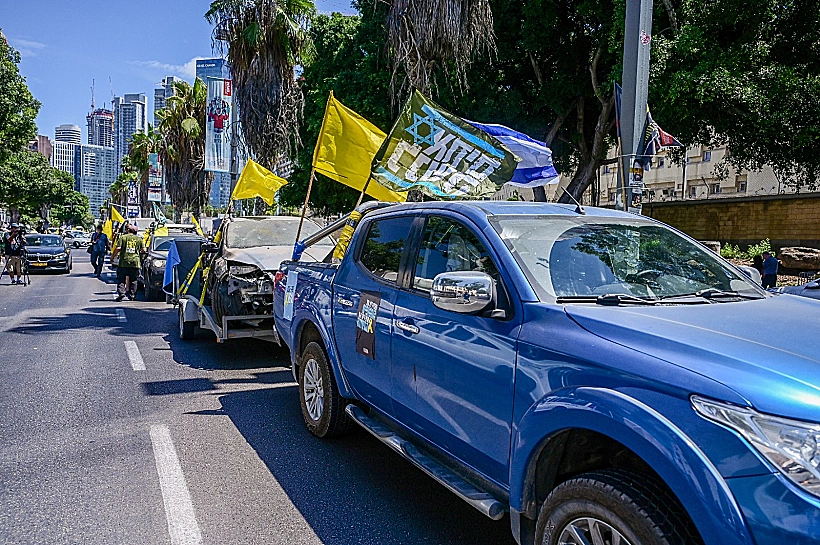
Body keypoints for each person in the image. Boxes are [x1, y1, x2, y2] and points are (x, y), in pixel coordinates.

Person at [111, 223, 144, 300]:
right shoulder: (139, 239)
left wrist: (112, 257)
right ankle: (132, 295)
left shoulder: (123, 238)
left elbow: (118, 248)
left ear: (128, 230)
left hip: (124, 262)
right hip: (135, 262)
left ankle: (121, 293)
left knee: (121, 279)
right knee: (134, 280)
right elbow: (143, 250)